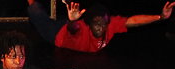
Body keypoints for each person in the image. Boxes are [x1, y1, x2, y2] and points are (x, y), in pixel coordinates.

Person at [27, 0, 175, 53]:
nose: (100, 28)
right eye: (96, 24)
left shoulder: (110, 24)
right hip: (56, 35)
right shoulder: (81, 27)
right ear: (88, 24)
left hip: (71, 23)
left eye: (103, 24)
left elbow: (134, 20)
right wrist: (71, 21)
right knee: (35, 11)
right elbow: (73, 28)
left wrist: (160, 17)